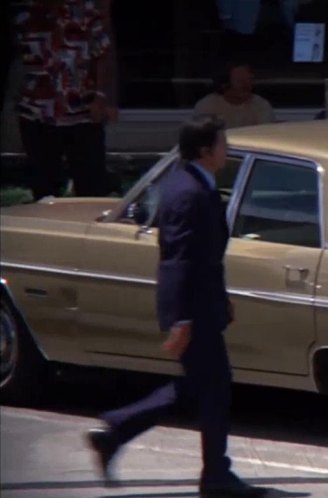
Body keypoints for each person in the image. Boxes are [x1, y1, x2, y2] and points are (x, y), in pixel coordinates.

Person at [85, 117, 266, 498]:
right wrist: (181, 318)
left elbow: (204, 258)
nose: (227, 149)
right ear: (205, 149)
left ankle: (115, 432)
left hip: (204, 306)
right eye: (223, 142)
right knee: (214, 387)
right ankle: (215, 476)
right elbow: (178, 260)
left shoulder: (195, 184)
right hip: (193, 312)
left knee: (198, 387)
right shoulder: (188, 193)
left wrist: (222, 299)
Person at [13, 0, 118, 200]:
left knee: (91, 186)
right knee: (43, 187)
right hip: (37, 112)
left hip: (82, 112)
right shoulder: (25, 14)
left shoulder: (85, 11)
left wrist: (102, 96)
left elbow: (103, 54)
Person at [193, 60, 276, 129]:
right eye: (240, 81)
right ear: (224, 84)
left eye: (249, 80)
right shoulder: (206, 107)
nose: (246, 85)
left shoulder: (261, 106)